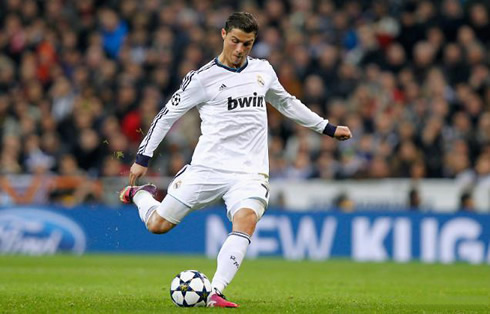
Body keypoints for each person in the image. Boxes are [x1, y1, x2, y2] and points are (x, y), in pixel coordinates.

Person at [119, 12, 352, 308]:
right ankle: (140, 195)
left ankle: (215, 291)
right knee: (158, 225)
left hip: (249, 172)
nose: (240, 50)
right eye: (235, 41)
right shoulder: (201, 79)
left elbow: (287, 102)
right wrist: (143, 156)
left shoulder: (263, 71)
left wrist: (327, 128)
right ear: (223, 35)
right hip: (208, 167)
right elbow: (167, 116)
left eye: (248, 44)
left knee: (247, 219)